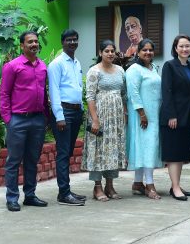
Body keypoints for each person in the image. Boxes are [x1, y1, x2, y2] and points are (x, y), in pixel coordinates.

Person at [0, 31, 49, 212]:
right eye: (30, 42)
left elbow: (44, 93)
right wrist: (8, 120)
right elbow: (4, 94)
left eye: (36, 41)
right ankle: (12, 198)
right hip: (18, 120)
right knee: (13, 161)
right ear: (22, 45)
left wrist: (45, 117)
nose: (34, 44)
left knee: (32, 160)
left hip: (37, 120)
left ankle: (30, 195)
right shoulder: (12, 66)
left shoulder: (43, 66)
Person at [81, 39, 127, 202]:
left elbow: (123, 95)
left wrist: (124, 115)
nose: (110, 53)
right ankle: (97, 187)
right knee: (98, 150)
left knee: (113, 149)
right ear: (100, 53)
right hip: (100, 115)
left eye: (112, 51)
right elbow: (90, 97)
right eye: (106, 51)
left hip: (115, 117)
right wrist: (95, 120)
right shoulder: (94, 71)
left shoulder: (121, 70)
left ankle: (110, 185)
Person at [47, 29, 86, 206]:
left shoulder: (76, 62)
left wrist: (82, 108)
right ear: (62, 42)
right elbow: (54, 91)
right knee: (63, 153)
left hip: (76, 112)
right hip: (64, 113)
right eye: (69, 40)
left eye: (75, 40)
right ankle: (64, 193)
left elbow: (77, 87)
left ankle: (66, 190)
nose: (72, 43)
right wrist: (59, 116)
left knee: (68, 152)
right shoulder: (56, 64)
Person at [160, 34, 190, 201]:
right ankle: (175, 187)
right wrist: (171, 115)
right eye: (181, 46)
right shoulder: (169, 66)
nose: (185, 49)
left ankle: (175, 184)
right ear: (175, 48)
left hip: (188, 116)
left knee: (182, 153)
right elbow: (166, 91)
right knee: (174, 154)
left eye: (188, 46)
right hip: (174, 117)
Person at [125, 39, 162, 199]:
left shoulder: (153, 68)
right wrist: (142, 114)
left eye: (150, 50)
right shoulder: (134, 69)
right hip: (142, 115)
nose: (148, 53)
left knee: (147, 147)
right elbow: (133, 93)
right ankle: (150, 184)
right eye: (144, 50)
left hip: (154, 114)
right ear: (137, 52)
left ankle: (137, 182)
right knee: (146, 147)